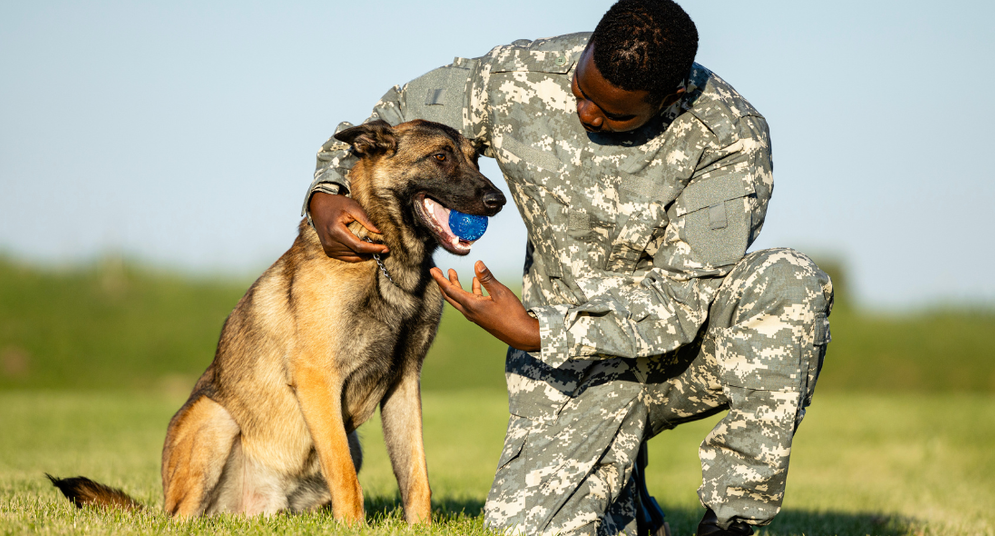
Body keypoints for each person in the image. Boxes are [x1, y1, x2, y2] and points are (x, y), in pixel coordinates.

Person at [303, 1, 833, 534]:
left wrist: (537, 331)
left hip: (678, 355)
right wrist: (325, 192)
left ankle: (732, 520)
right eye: (581, 89)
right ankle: (622, 493)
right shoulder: (518, 77)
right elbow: (388, 119)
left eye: (614, 113)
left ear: (670, 98)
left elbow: (681, 302)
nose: (586, 113)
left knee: (788, 283)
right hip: (574, 370)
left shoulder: (729, 139)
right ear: (587, 49)